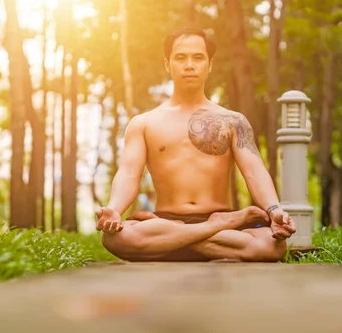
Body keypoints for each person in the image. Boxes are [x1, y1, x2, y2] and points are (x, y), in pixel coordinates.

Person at [95, 28, 296, 262]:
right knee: (113, 238)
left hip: (176, 228)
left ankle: (175, 243)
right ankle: (206, 232)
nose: (189, 65)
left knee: (273, 247)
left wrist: (274, 209)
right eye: (181, 57)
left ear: (209, 65)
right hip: (172, 221)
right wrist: (114, 211)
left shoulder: (234, 121)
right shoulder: (143, 123)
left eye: (198, 57)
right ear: (167, 64)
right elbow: (129, 174)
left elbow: (254, 171)